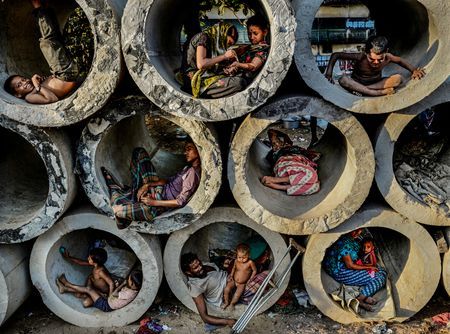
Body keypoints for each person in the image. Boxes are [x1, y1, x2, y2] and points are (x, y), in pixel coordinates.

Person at [101, 141, 201, 229]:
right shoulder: (187, 168)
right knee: (139, 153)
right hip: (156, 189)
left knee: (117, 211)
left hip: (157, 205)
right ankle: (135, 194)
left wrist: (153, 202)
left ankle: (132, 197)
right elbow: (167, 181)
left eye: (189, 149)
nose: (185, 152)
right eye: (186, 150)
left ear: (199, 151)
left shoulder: (192, 174)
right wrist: (147, 185)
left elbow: (180, 202)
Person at [3, 0, 81, 104]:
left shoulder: (35, 89)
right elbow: (53, 99)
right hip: (65, 74)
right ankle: (38, 6)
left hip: (62, 73)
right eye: (19, 85)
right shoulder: (29, 97)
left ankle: (46, 8)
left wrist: (44, 80)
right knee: (47, 42)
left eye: (23, 79)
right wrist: (37, 86)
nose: (24, 82)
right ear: (18, 94)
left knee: (55, 39)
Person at [181, 253, 268, 331]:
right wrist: (227, 321)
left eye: (199, 263)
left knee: (248, 262)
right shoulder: (195, 286)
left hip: (232, 280)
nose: (200, 267)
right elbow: (204, 317)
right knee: (266, 275)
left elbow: (221, 271)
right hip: (231, 294)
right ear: (188, 272)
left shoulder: (205, 266)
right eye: (195, 268)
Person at [324, 36, 426, 96]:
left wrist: (414, 70)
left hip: (376, 83)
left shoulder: (388, 57)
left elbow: (400, 61)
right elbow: (335, 55)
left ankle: (365, 90)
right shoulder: (360, 57)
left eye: (380, 59)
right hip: (357, 82)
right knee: (343, 80)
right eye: (372, 59)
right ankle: (376, 93)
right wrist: (328, 74)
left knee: (399, 78)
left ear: (386, 52)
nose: (376, 62)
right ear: (366, 53)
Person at [322, 229, 387, 312]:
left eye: (360, 230)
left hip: (337, 267)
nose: (358, 233)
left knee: (379, 270)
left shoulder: (348, 238)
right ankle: (361, 297)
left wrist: (368, 266)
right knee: (380, 275)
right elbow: (350, 265)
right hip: (340, 272)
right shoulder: (345, 244)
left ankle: (364, 296)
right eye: (355, 231)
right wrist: (367, 267)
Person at [180, 22, 246, 98]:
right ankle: (203, 93)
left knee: (242, 76)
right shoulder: (203, 37)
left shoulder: (214, 44)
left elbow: (212, 65)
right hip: (195, 82)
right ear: (222, 33)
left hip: (206, 77)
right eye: (228, 42)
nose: (226, 46)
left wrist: (228, 70)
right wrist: (224, 56)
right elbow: (201, 64)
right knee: (239, 83)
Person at [261, 129, 321, 196]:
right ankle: (275, 181)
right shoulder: (280, 149)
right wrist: (285, 136)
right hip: (287, 165)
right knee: (313, 179)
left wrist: (285, 137)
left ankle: (274, 183)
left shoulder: (287, 149)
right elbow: (271, 132)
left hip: (290, 173)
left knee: (315, 186)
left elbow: (317, 155)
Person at [56, 270, 142, 312]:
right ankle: (66, 289)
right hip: (109, 300)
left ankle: (67, 285)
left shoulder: (129, 293)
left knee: (89, 289)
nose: (127, 279)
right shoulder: (133, 289)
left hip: (106, 305)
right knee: (87, 294)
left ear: (133, 284)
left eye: (129, 280)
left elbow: (114, 294)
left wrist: (122, 285)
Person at [223, 16, 270, 83]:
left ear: (264, 32)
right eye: (249, 34)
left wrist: (238, 65)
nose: (251, 37)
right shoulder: (250, 47)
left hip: (245, 81)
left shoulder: (263, 49)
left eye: (255, 33)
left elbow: (253, 66)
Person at [222, 244, 257, 310]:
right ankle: (226, 302)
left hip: (242, 283)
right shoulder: (236, 261)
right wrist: (231, 275)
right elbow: (233, 269)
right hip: (234, 280)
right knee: (226, 289)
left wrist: (250, 278)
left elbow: (254, 270)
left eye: (244, 257)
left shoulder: (250, 262)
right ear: (237, 255)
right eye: (239, 257)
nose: (241, 259)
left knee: (237, 294)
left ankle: (232, 304)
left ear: (249, 255)